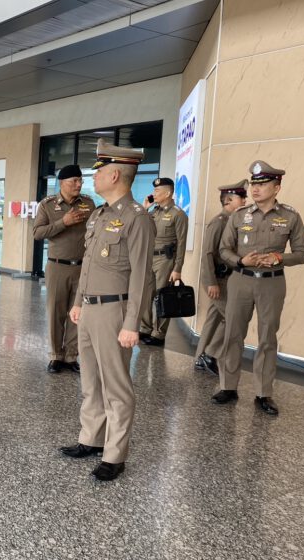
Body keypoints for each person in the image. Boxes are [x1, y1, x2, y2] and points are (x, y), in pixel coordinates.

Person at [60, 139, 154, 481]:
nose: (93, 178)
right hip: (89, 309)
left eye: (98, 172)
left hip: (116, 311)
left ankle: (115, 454)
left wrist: (133, 324)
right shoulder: (99, 214)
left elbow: (143, 275)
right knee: (91, 379)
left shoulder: (137, 218)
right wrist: (77, 302)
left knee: (116, 385)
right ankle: (91, 438)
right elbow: (88, 265)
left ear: (115, 174)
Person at [211, 161, 304, 415]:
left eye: (263, 184)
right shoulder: (239, 215)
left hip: (272, 283)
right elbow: (223, 249)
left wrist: (280, 258)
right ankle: (227, 386)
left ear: (277, 187)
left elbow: (302, 253)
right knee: (233, 334)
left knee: (267, 338)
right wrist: (240, 261)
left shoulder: (289, 216)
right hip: (241, 280)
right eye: (254, 183)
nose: (255, 188)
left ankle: (263, 393)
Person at [33, 164, 95, 374]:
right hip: (57, 266)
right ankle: (55, 356)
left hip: (82, 268)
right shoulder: (48, 205)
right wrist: (63, 222)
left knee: (78, 314)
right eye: (74, 181)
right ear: (62, 183)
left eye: (80, 181)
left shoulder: (88, 203)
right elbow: (38, 232)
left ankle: (70, 356)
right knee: (56, 313)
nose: (78, 184)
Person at [194, 180, 248, 375]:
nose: (245, 200)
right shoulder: (219, 222)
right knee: (233, 319)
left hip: (225, 279)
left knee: (214, 318)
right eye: (241, 197)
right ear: (228, 200)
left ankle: (201, 358)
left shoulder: (233, 221)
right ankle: (210, 354)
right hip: (217, 280)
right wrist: (211, 283)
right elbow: (207, 253)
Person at [139, 177, 188, 346]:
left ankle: (158, 333)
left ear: (168, 193)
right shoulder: (154, 212)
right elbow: (141, 229)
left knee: (161, 296)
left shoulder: (178, 214)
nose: (154, 194)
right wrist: (145, 209)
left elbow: (182, 243)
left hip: (165, 260)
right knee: (146, 295)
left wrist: (177, 268)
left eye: (157, 191)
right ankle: (144, 329)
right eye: (154, 191)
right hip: (149, 258)